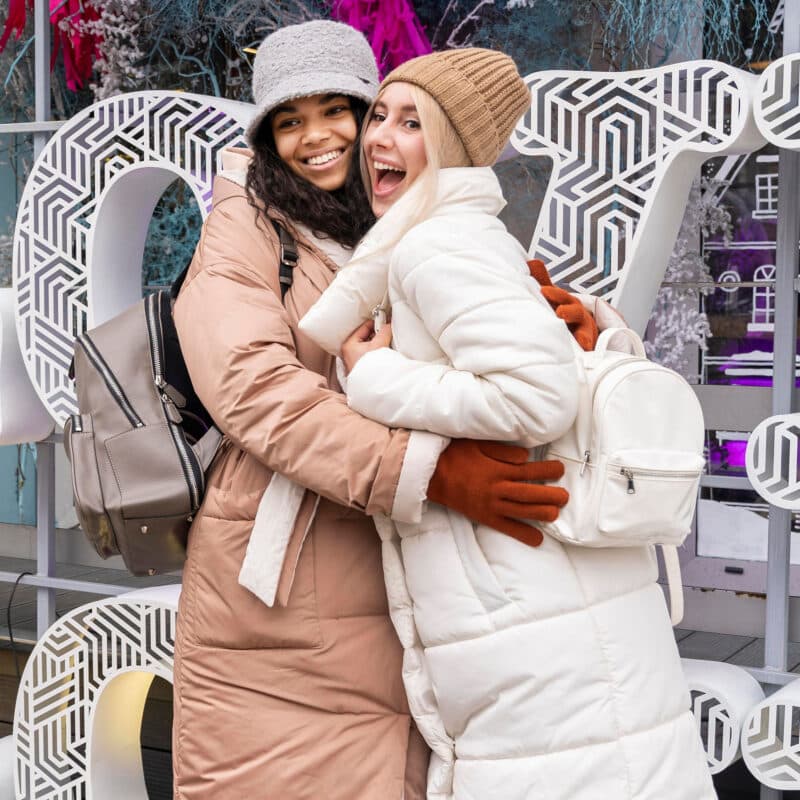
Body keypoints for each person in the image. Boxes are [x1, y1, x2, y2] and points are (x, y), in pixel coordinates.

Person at [171, 22, 591, 800]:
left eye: (340, 110)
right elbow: (252, 388)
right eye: (289, 121)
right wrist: (421, 471)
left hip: (408, 579)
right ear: (265, 137)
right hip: (285, 598)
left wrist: (576, 322)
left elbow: (511, 352)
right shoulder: (246, 226)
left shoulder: (407, 222)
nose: (318, 138)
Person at [300, 49, 718, 800]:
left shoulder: (436, 244)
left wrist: (374, 376)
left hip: (528, 599)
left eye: (411, 121)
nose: (376, 139)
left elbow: (536, 398)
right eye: (380, 117)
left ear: (454, 145)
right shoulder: (452, 237)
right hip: (538, 598)